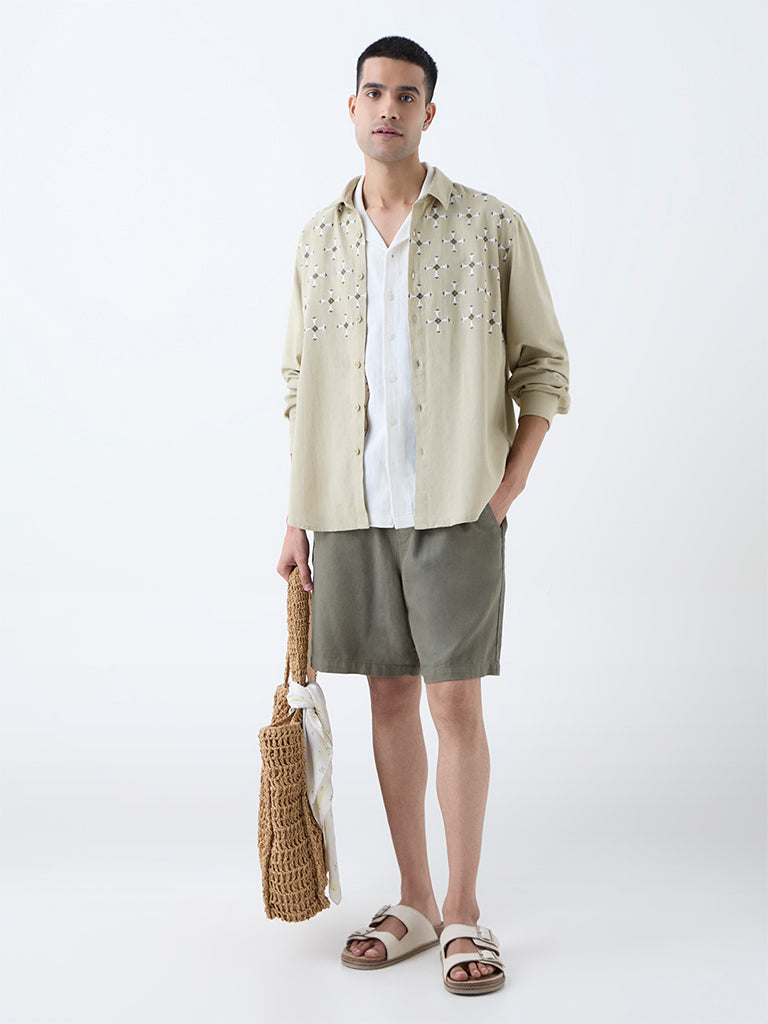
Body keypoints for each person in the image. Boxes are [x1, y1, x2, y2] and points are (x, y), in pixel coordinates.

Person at [276, 35, 570, 996]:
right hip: (349, 510)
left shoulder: (490, 227)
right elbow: (299, 384)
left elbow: (543, 368)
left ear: (429, 113)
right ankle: (412, 900)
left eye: (407, 95)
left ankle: (463, 912)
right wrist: (297, 517)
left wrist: (504, 491)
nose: (388, 108)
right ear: (351, 107)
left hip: (456, 509)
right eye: (373, 92)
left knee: (455, 705)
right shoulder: (319, 239)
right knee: (389, 699)